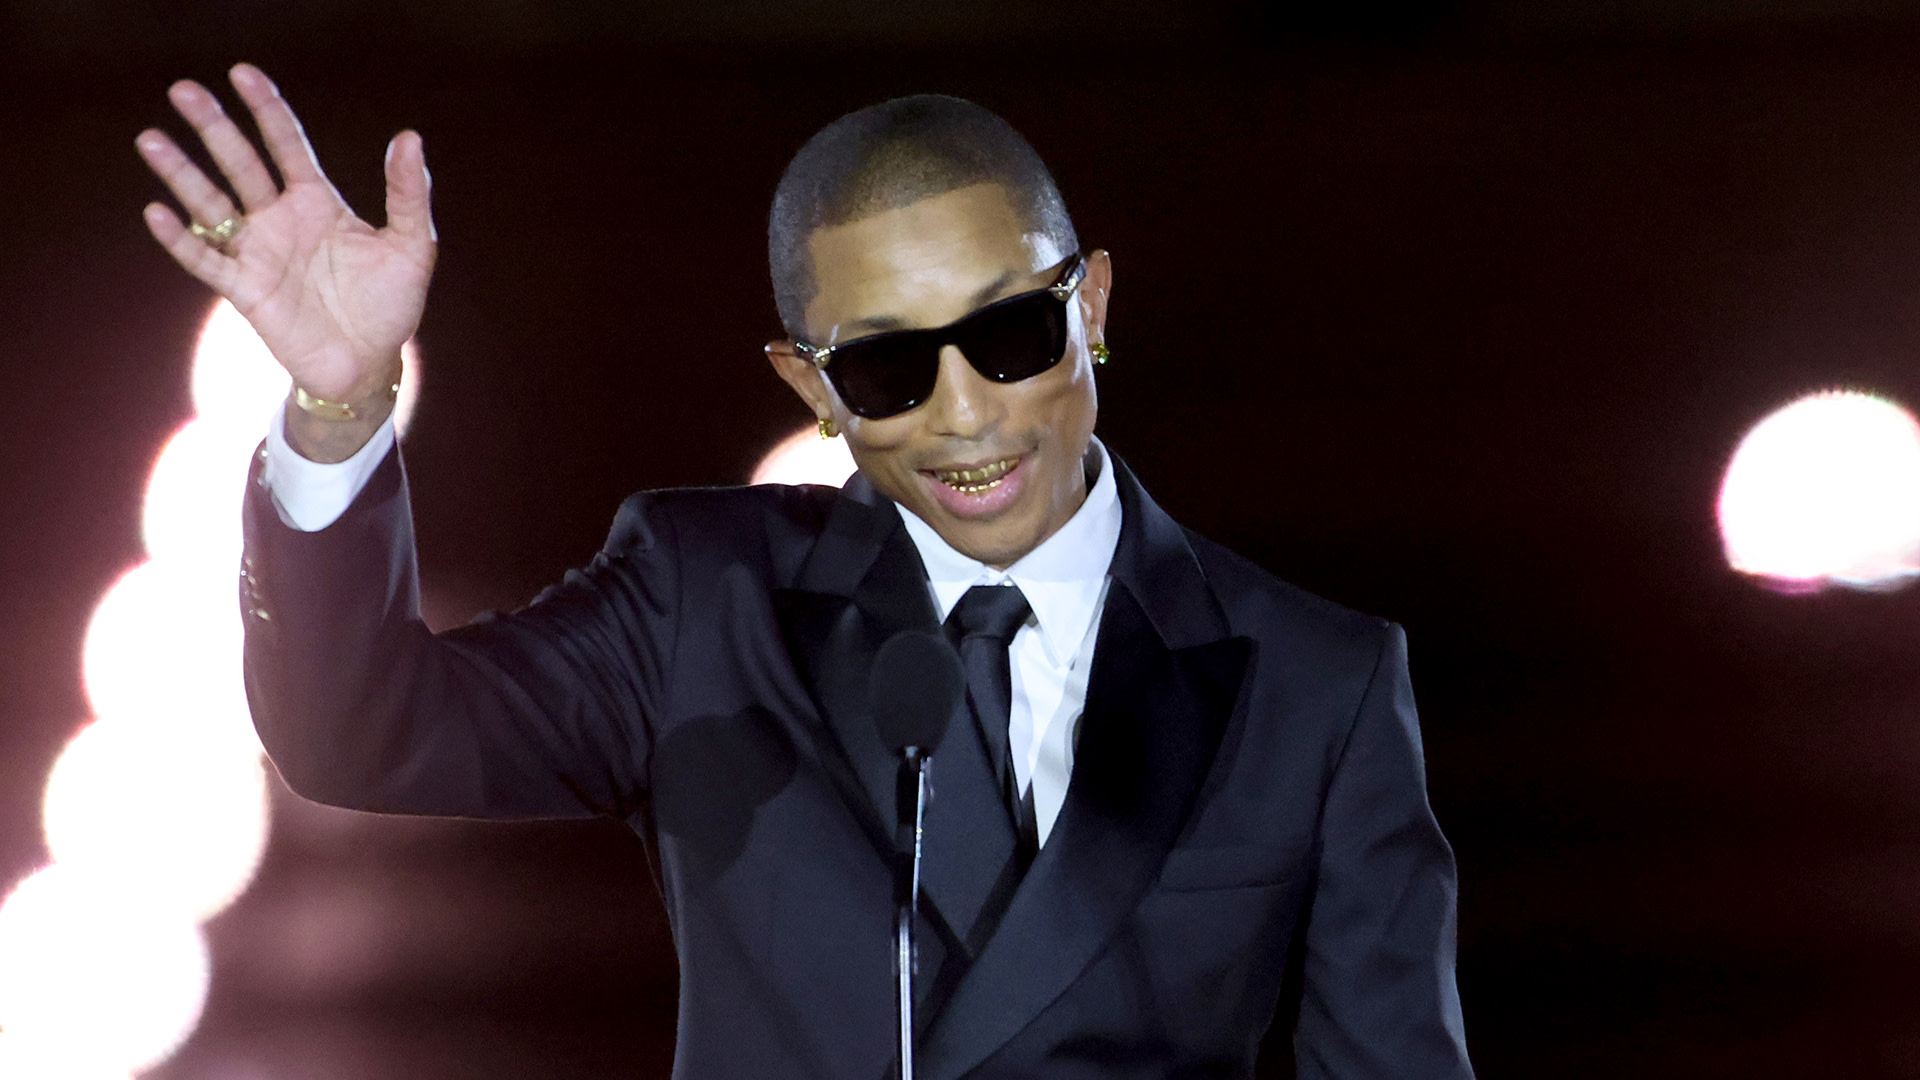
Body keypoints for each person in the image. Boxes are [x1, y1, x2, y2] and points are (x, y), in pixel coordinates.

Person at [137, 63, 1474, 1080]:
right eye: (889, 370)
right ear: (813, 388)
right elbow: (358, 733)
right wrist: (338, 408)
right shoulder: (702, 602)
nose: (963, 416)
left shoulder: (1321, 685)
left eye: (1009, 338)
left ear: (1093, 308)